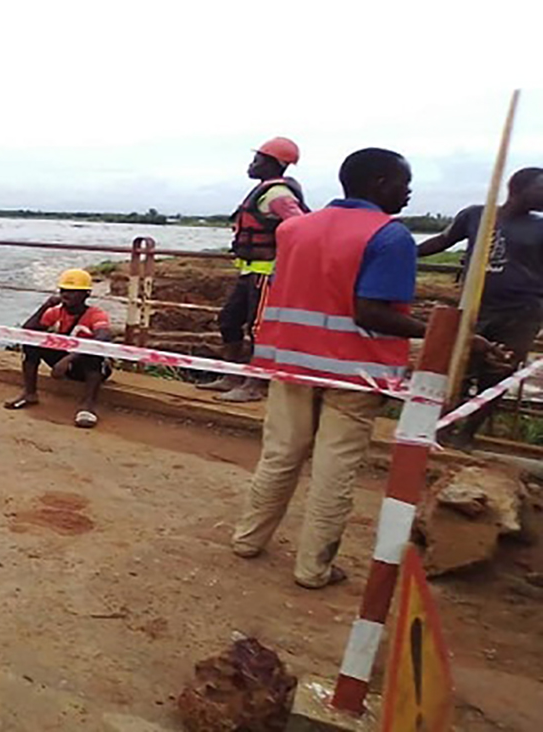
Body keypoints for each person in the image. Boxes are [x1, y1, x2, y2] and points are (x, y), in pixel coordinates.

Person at [230, 148, 502, 589]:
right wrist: (441, 331)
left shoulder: (296, 229)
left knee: (280, 455)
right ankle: (313, 568)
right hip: (353, 371)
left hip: (291, 362)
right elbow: (370, 312)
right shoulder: (389, 237)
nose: (409, 191)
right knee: (334, 469)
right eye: (403, 182)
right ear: (378, 183)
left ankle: (247, 539)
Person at [418, 167, 543, 448]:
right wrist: (406, 252)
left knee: (499, 371)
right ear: (519, 188)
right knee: (458, 367)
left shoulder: (540, 227)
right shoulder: (476, 215)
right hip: (474, 308)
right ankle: (441, 428)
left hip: (521, 313)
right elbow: (443, 241)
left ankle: (467, 434)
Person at [198, 137, 309, 403]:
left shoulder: (278, 195)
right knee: (229, 320)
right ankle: (233, 375)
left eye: (258, 159)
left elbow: (301, 226)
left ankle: (254, 385)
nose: (252, 163)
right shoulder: (264, 190)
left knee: (260, 330)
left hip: (267, 273)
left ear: (274, 164)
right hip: (249, 270)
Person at [4, 268, 113, 428]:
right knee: (32, 343)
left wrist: (69, 359)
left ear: (86, 294)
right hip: (65, 360)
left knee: (93, 352)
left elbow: (104, 336)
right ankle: (29, 393)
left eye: (73, 292)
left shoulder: (95, 314)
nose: (66, 295)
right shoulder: (56, 312)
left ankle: (88, 406)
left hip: (88, 366)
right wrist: (45, 306)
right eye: (64, 291)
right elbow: (28, 331)